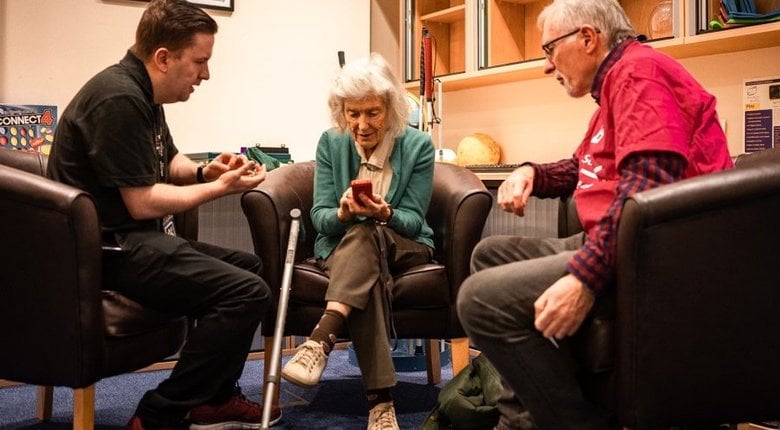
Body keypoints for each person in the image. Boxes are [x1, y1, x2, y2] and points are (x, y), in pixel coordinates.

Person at [455, 0, 734, 428]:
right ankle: (526, 415)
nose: (547, 66)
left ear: (587, 38)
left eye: (549, 49)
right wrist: (532, 172)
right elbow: (585, 167)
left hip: (655, 255)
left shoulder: (640, 74)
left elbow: (649, 185)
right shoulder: (615, 87)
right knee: (490, 255)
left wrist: (586, 277)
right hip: (623, 240)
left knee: (480, 300)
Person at [46, 0, 280, 428]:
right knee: (245, 291)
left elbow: (166, 161)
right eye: (200, 62)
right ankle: (161, 412)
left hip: (133, 241)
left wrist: (206, 170)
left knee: (252, 269)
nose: (205, 75)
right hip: (107, 251)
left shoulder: (143, 94)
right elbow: (143, 201)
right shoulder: (116, 97)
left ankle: (214, 397)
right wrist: (217, 188)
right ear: (163, 58)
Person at [279, 53, 436, 430]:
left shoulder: (418, 146)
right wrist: (344, 214)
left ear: (391, 109)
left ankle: (319, 339)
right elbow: (320, 218)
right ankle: (381, 405)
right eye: (353, 114)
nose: (362, 125)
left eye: (372, 113)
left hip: (404, 245)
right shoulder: (330, 143)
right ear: (341, 112)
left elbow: (414, 222)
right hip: (346, 248)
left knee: (370, 232)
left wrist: (385, 215)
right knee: (364, 252)